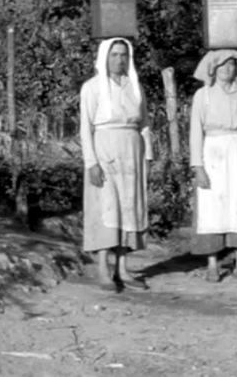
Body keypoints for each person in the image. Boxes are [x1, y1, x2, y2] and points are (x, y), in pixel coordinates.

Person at [79, 38, 152, 291]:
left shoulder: (135, 87)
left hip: (131, 151)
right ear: (104, 58)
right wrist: (92, 163)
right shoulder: (92, 88)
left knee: (128, 208)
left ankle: (123, 267)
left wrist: (147, 157)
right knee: (106, 208)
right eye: (114, 55)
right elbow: (86, 128)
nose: (119, 60)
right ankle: (102, 269)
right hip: (105, 149)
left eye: (123, 55)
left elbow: (144, 125)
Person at [189, 49, 237, 283]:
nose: (228, 70)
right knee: (213, 207)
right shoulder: (203, 95)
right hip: (213, 152)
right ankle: (212, 263)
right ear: (213, 69)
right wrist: (198, 166)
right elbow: (195, 132)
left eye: (232, 65)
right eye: (223, 66)